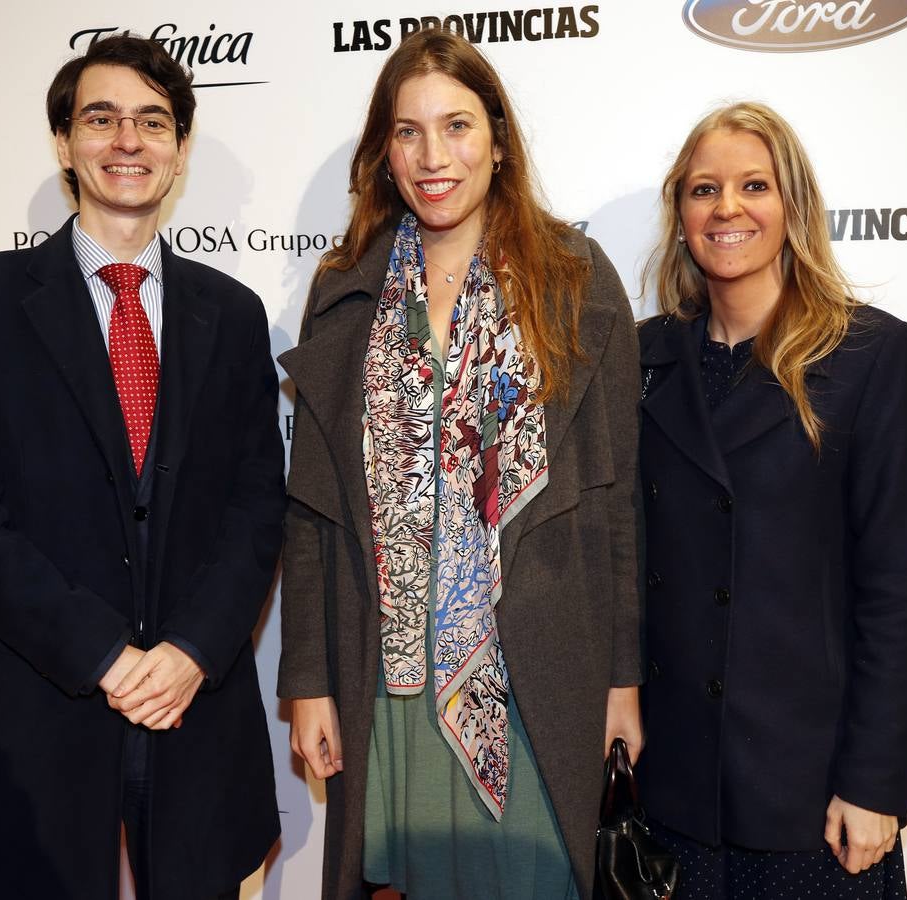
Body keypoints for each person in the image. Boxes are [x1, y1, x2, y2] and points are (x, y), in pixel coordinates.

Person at [0, 35, 285, 900]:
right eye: (102, 118)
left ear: (181, 150)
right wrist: (104, 656)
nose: (128, 140)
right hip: (32, 711)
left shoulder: (231, 315)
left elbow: (257, 504)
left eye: (153, 122)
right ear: (64, 142)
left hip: (196, 719)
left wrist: (191, 649)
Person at [276, 28, 642, 900]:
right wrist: (309, 684)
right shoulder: (346, 292)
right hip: (386, 676)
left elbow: (620, 505)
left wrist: (623, 682)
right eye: (408, 132)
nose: (433, 156)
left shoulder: (579, 281)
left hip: (536, 668)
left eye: (457, 126)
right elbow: (311, 514)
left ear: (498, 140)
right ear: (385, 152)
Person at [635, 101, 907, 899]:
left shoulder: (872, 355)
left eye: (753, 185)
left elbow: (898, 592)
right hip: (671, 792)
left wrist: (875, 783)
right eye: (703, 189)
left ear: (793, 205)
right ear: (680, 215)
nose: (727, 208)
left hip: (810, 798)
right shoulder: (643, 358)